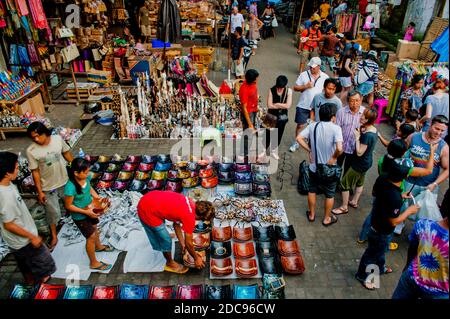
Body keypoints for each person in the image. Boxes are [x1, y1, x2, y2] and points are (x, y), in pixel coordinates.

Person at [357, 139, 437, 248]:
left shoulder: (382, 160)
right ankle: (383, 243)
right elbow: (428, 171)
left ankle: (362, 236)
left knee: (373, 215)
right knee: (387, 223)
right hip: (391, 198)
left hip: (381, 193)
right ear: (403, 153)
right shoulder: (403, 168)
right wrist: (432, 151)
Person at [355, 166, 420, 290]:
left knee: (381, 251)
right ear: (405, 177)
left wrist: (401, 196)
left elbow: (378, 194)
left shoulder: (383, 179)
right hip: (381, 231)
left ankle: (380, 268)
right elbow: (394, 221)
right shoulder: (394, 197)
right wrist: (409, 211)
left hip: (376, 223)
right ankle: (363, 276)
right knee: (372, 255)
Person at [0, 151, 56, 285]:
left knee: (24, 263)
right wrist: (32, 237)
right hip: (23, 239)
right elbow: (9, 224)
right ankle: (41, 284)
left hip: (18, 239)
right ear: (7, 173)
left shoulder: (7, 185)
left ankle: (30, 281)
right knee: (43, 264)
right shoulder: (5, 196)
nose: (18, 170)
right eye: (16, 167)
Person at [395, 115, 449, 235]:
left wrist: (435, 184)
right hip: (408, 181)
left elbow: (447, 169)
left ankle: (419, 234)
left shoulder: (444, 147)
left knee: (424, 212)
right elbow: (401, 152)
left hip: (428, 186)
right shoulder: (414, 137)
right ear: (430, 125)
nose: (438, 132)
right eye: (436, 128)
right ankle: (398, 225)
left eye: (442, 130)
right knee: (402, 205)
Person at [137, 190, 215, 274]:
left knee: (162, 231)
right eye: (202, 220)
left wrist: (182, 244)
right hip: (146, 209)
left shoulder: (190, 202)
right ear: (200, 217)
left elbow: (176, 224)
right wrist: (196, 258)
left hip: (150, 198)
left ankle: (162, 237)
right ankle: (170, 263)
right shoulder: (189, 216)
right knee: (165, 240)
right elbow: (189, 244)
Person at [392, 188, 449, 299]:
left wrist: (407, 267)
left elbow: (412, 250)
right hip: (440, 292)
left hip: (412, 278)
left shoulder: (423, 225)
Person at [26, 122, 73, 251]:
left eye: (37, 136)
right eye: (33, 137)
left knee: (71, 204)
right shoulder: (31, 151)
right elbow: (35, 172)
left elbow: (67, 153)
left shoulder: (57, 139)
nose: (36, 139)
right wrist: (40, 192)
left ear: (45, 133)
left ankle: (75, 224)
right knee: (52, 213)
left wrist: (76, 168)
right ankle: (54, 236)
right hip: (48, 186)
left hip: (64, 180)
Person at [297, 103, 343, 226]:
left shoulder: (313, 126)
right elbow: (340, 148)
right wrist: (333, 157)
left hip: (314, 167)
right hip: (330, 169)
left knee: (312, 190)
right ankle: (326, 218)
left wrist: (310, 150)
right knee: (329, 194)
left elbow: (299, 138)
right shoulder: (336, 129)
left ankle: (311, 215)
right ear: (333, 116)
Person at [64, 158, 113, 271]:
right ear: (76, 173)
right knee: (90, 237)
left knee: (95, 228)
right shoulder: (70, 187)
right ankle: (93, 263)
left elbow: (89, 188)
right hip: (80, 216)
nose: (88, 174)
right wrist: (86, 212)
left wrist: (97, 197)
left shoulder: (86, 178)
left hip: (90, 209)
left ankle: (99, 246)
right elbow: (69, 206)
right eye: (85, 172)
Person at [332, 108, 378, 215]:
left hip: (360, 163)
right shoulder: (373, 130)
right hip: (368, 162)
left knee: (344, 184)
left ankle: (344, 207)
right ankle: (354, 201)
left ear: (367, 120)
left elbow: (359, 152)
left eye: (363, 116)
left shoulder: (367, 135)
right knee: (360, 182)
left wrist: (357, 138)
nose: (360, 116)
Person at [290, 57, 329, 152]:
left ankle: (310, 142)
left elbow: (328, 90)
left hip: (317, 107)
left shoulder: (325, 77)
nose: (311, 68)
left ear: (319, 66)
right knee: (300, 125)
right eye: (310, 66)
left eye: (314, 67)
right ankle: (297, 142)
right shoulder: (304, 74)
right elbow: (295, 87)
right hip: (303, 105)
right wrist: (305, 86)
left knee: (314, 126)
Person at [335, 90, 366, 175]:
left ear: (361, 100)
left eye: (357, 100)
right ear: (348, 100)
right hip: (341, 147)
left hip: (354, 149)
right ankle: (335, 184)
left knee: (348, 171)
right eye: (352, 101)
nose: (355, 103)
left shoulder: (365, 113)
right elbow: (337, 130)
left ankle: (343, 187)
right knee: (337, 168)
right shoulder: (341, 112)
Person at [265, 75, 293, 159]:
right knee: (267, 134)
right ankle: (263, 151)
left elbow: (288, 105)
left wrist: (277, 104)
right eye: (278, 87)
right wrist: (282, 106)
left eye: (282, 87)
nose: (280, 89)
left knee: (278, 134)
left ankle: (273, 151)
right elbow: (269, 105)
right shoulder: (272, 90)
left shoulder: (289, 91)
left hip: (282, 117)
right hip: (271, 115)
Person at [239, 69, 260, 159]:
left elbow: (254, 93)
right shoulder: (244, 89)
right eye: (256, 78)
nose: (257, 80)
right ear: (252, 80)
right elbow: (244, 108)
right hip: (248, 112)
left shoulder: (253, 83)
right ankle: (244, 153)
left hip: (253, 110)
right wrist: (250, 123)